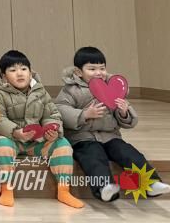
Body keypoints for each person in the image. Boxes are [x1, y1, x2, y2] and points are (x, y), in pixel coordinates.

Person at [55, 46, 170, 201]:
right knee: (93, 158)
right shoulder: (71, 90)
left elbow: (124, 117)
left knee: (129, 153)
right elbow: (61, 109)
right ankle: (104, 187)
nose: (98, 72)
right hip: (83, 138)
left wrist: (123, 112)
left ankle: (151, 183)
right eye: (92, 69)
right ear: (78, 72)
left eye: (102, 68)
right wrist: (84, 115)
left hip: (110, 135)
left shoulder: (111, 86)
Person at [0, 50, 83, 208]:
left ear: (30, 72)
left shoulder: (41, 92)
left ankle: (64, 191)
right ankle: (6, 189)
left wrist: (53, 131)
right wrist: (15, 132)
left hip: (37, 141)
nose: (19, 73)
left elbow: (52, 114)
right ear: (4, 76)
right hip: (13, 139)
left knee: (63, 145)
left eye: (23, 69)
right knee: (1, 146)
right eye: (13, 70)